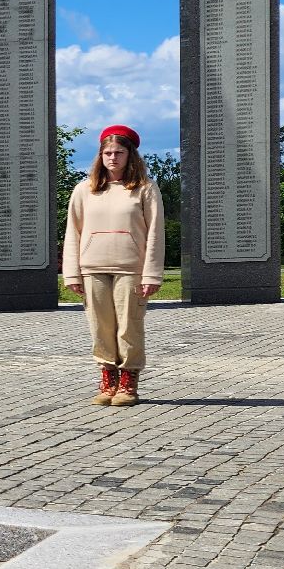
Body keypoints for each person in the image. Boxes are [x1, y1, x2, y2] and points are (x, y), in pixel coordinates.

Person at [62, 124, 165, 407]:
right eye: (107, 152)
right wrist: (71, 272)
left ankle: (128, 381)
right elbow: (74, 231)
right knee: (100, 327)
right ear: (100, 155)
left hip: (130, 268)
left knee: (128, 327)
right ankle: (108, 379)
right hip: (92, 268)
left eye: (118, 152)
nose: (112, 158)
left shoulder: (145, 189)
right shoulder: (85, 190)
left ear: (130, 155)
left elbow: (155, 232)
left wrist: (152, 274)